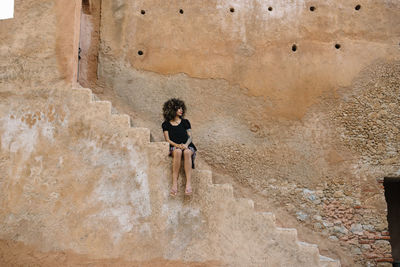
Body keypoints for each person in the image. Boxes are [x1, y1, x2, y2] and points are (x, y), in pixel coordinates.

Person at [162, 98, 197, 197]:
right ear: (172, 110)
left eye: (182, 108)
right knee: (177, 152)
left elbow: (190, 136)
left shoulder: (185, 122)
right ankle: (174, 184)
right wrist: (177, 145)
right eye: (178, 108)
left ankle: (188, 184)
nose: (181, 110)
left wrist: (186, 145)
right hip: (175, 147)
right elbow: (167, 140)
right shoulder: (166, 124)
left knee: (186, 152)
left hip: (187, 145)